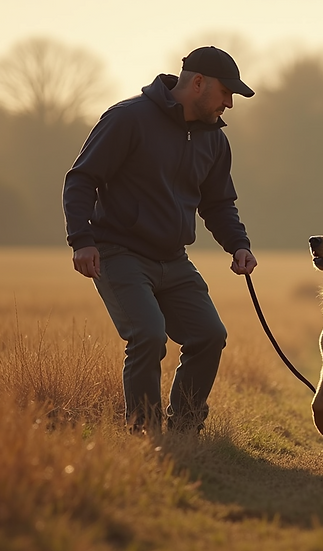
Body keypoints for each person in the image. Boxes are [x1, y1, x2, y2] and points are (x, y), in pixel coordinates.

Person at [63, 46, 258, 434]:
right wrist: (81, 239)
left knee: (209, 335)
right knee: (148, 336)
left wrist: (239, 244)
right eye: (225, 92)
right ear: (197, 83)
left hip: (174, 258)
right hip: (119, 253)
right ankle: (145, 433)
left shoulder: (215, 142)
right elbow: (81, 179)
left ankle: (184, 431)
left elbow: (219, 203)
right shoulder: (127, 118)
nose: (229, 103)